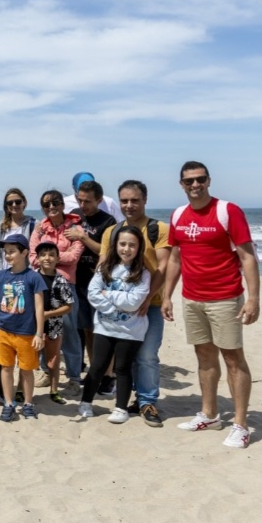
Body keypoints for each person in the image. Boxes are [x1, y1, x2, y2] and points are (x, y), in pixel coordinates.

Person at [163, 161, 259, 448]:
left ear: (208, 180)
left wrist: (253, 298)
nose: (195, 185)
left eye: (200, 179)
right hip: (192, 299)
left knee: (233, 359)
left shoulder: (228, 211)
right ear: (181, 184)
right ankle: (210, 414)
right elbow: (176, 258)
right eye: (189, 181)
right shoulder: (178, 214)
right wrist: (167, 295)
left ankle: (240, 424)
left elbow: (247, 256)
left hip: (226, 298)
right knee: (204, 357)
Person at [99, 179, 171, 426]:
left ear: (145, 200)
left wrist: (149, 298)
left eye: (135, 200)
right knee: (124, 358)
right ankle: (128, 401)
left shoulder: (158, 229)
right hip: (120, 306)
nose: (129, 205)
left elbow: (163, 267)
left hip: (150, 305)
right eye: (124, 200)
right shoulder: (112, 231)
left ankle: (148, 401)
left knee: (148, 355)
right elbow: (104, 266)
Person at [78, 227, 151, 423]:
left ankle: (121, 408)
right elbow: (93, 293)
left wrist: (108, 294)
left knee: (122, 368)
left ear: (139, 248)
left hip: (131, 330)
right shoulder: (105, 268)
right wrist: (114, 308)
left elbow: (134, 302)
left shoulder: (143, 273)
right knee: (97, 366)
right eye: (122, 244)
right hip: (104, 326)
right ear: (115, 245)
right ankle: (86, 402)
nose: (126, 249)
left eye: (132, 245)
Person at [29, 189, 85, 390]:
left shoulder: (74, 228)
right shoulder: (40, 229)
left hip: (66, 283)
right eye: (46, 204)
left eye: (55, 202)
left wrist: (49, 258)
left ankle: (74, 377)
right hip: (42, 284)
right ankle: (46, 371)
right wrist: (55, 256)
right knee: (44, 330)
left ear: (62, 204)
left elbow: (74, 256)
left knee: (70, 332)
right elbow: (32, 256)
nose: (51, 207)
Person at [63, 179, 116, 378]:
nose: (83, 205)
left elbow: (107, 251)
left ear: (99, 200)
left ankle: (103, 373)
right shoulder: (75, 216)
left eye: (88, 201)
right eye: (80, 200)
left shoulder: (108, 221)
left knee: (98, 329)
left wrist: (83, 237)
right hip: (76, 279)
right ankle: (87, 370)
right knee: (82, 329)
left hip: (98, 281)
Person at [0, 234, 48, 422]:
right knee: (6, 368)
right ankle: (8, 403)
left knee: (26, 370)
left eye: (12, 252)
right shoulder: (1, 275)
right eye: (5, 252)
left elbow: (40, 306)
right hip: (4, 331)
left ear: (24, 252)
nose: (8, 256)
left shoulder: (33, 277)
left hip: (26, 332)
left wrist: (39, 333)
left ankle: (28, 403)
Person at [34, 241, 75, 405]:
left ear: (58, 258)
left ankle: (54, 390)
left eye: (51, 255)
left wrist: (48, 314)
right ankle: (22, 390)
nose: (47, 258)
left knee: (53, 360)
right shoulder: (32, 277)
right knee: (29, 360)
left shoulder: (62, 280)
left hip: (54, 326)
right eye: (43, 255)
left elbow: (68, 307)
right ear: (37, 258)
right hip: (33, 327)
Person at [0, 188, 36, 270]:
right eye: (10, 203)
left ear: (24, 202)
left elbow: (35, 252)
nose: (14, 205)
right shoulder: (2, 225)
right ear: (6, 206)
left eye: (18, 202)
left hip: (25, 274)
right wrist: (1, 272)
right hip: (6, 274)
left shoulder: (33, 224)